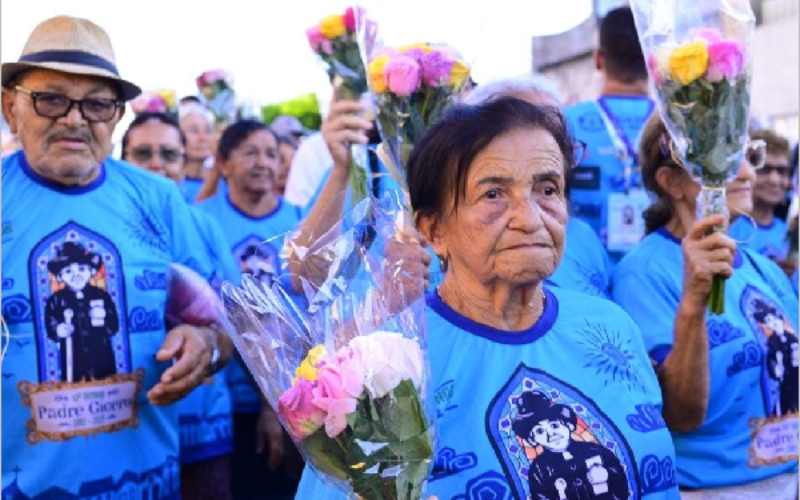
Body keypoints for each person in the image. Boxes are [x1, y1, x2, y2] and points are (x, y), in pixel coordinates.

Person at [293, 97, 679, 499]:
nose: (530, 219)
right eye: (493, 194)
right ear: (433, 228)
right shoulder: (385, 368)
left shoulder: (610, 325)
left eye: (548, 189)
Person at [0, 16, 232, 498]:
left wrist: (205, 345)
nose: (74, 118)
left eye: (98, 103)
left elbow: (227, 324)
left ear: (118, 116)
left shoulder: (159, 200)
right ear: (10, 106)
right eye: (51, 98)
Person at [611, 114, 799, 498]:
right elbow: (679, 413)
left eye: (748, 154)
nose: (748, 173)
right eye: (727, 160)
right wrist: (694, 301)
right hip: (710, 491)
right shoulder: (643, 273)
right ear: (671, 182)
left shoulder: (764, 269)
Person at [121, 112, 238, 500]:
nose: (157, 164)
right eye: (143, 153)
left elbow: (236, 316)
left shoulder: (204, 227)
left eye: (169, 154)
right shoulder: (108, 226)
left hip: (203, 421)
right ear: (122, 161)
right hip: (129, 425)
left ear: (184, 162)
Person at [197, 119, 303, 499]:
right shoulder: (202, 219)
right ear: (223, 163)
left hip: (293, 397)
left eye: (272, 154)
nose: (263, 162)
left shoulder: (298, 217)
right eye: (251, 152)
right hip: (226, 399)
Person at [466, 74, 613, 297]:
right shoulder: (444, 250)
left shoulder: (583, 236)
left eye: (560, 138)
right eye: (494, 195)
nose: (551, 150)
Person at [565, 6, 655, 262]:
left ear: (598, 59)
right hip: (662, 280)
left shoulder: (563, 123)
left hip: (579, 274)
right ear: (652, 57)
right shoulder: (680, 124)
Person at [729, 130, 794, 268]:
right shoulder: (727, 227)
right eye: (764, 169)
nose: (774, 180)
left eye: (782, 171)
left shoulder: (789, 233)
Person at [179, 102, 215, 203]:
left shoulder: (225, 183)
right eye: (194, 131)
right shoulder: (171, 184)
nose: (202, 138)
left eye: (208, 131)